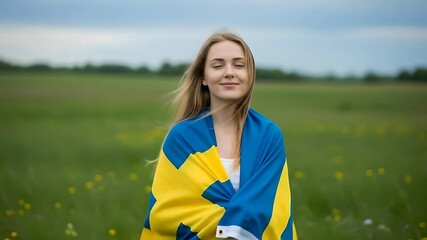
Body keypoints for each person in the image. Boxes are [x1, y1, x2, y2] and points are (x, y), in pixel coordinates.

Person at [141, 31, 297, 240]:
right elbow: (166, 212)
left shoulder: (268, 135)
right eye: (218, 65)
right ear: (204, 77)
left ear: (250, 75)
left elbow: (269, 209)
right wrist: (230, 226)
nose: (229, 72)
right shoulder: (182, 137)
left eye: (239, 65)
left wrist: (226, 226)